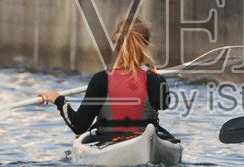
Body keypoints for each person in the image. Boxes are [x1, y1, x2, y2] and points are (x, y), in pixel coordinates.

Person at [39, 17, 174, 139]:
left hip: (108, 142)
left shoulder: (100, 80)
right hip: (143, 140)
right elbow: (164, 104)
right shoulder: (155, 80)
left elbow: (78, 126)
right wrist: (156, 76)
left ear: (115, 43)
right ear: (146, 45)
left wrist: (58, 100)